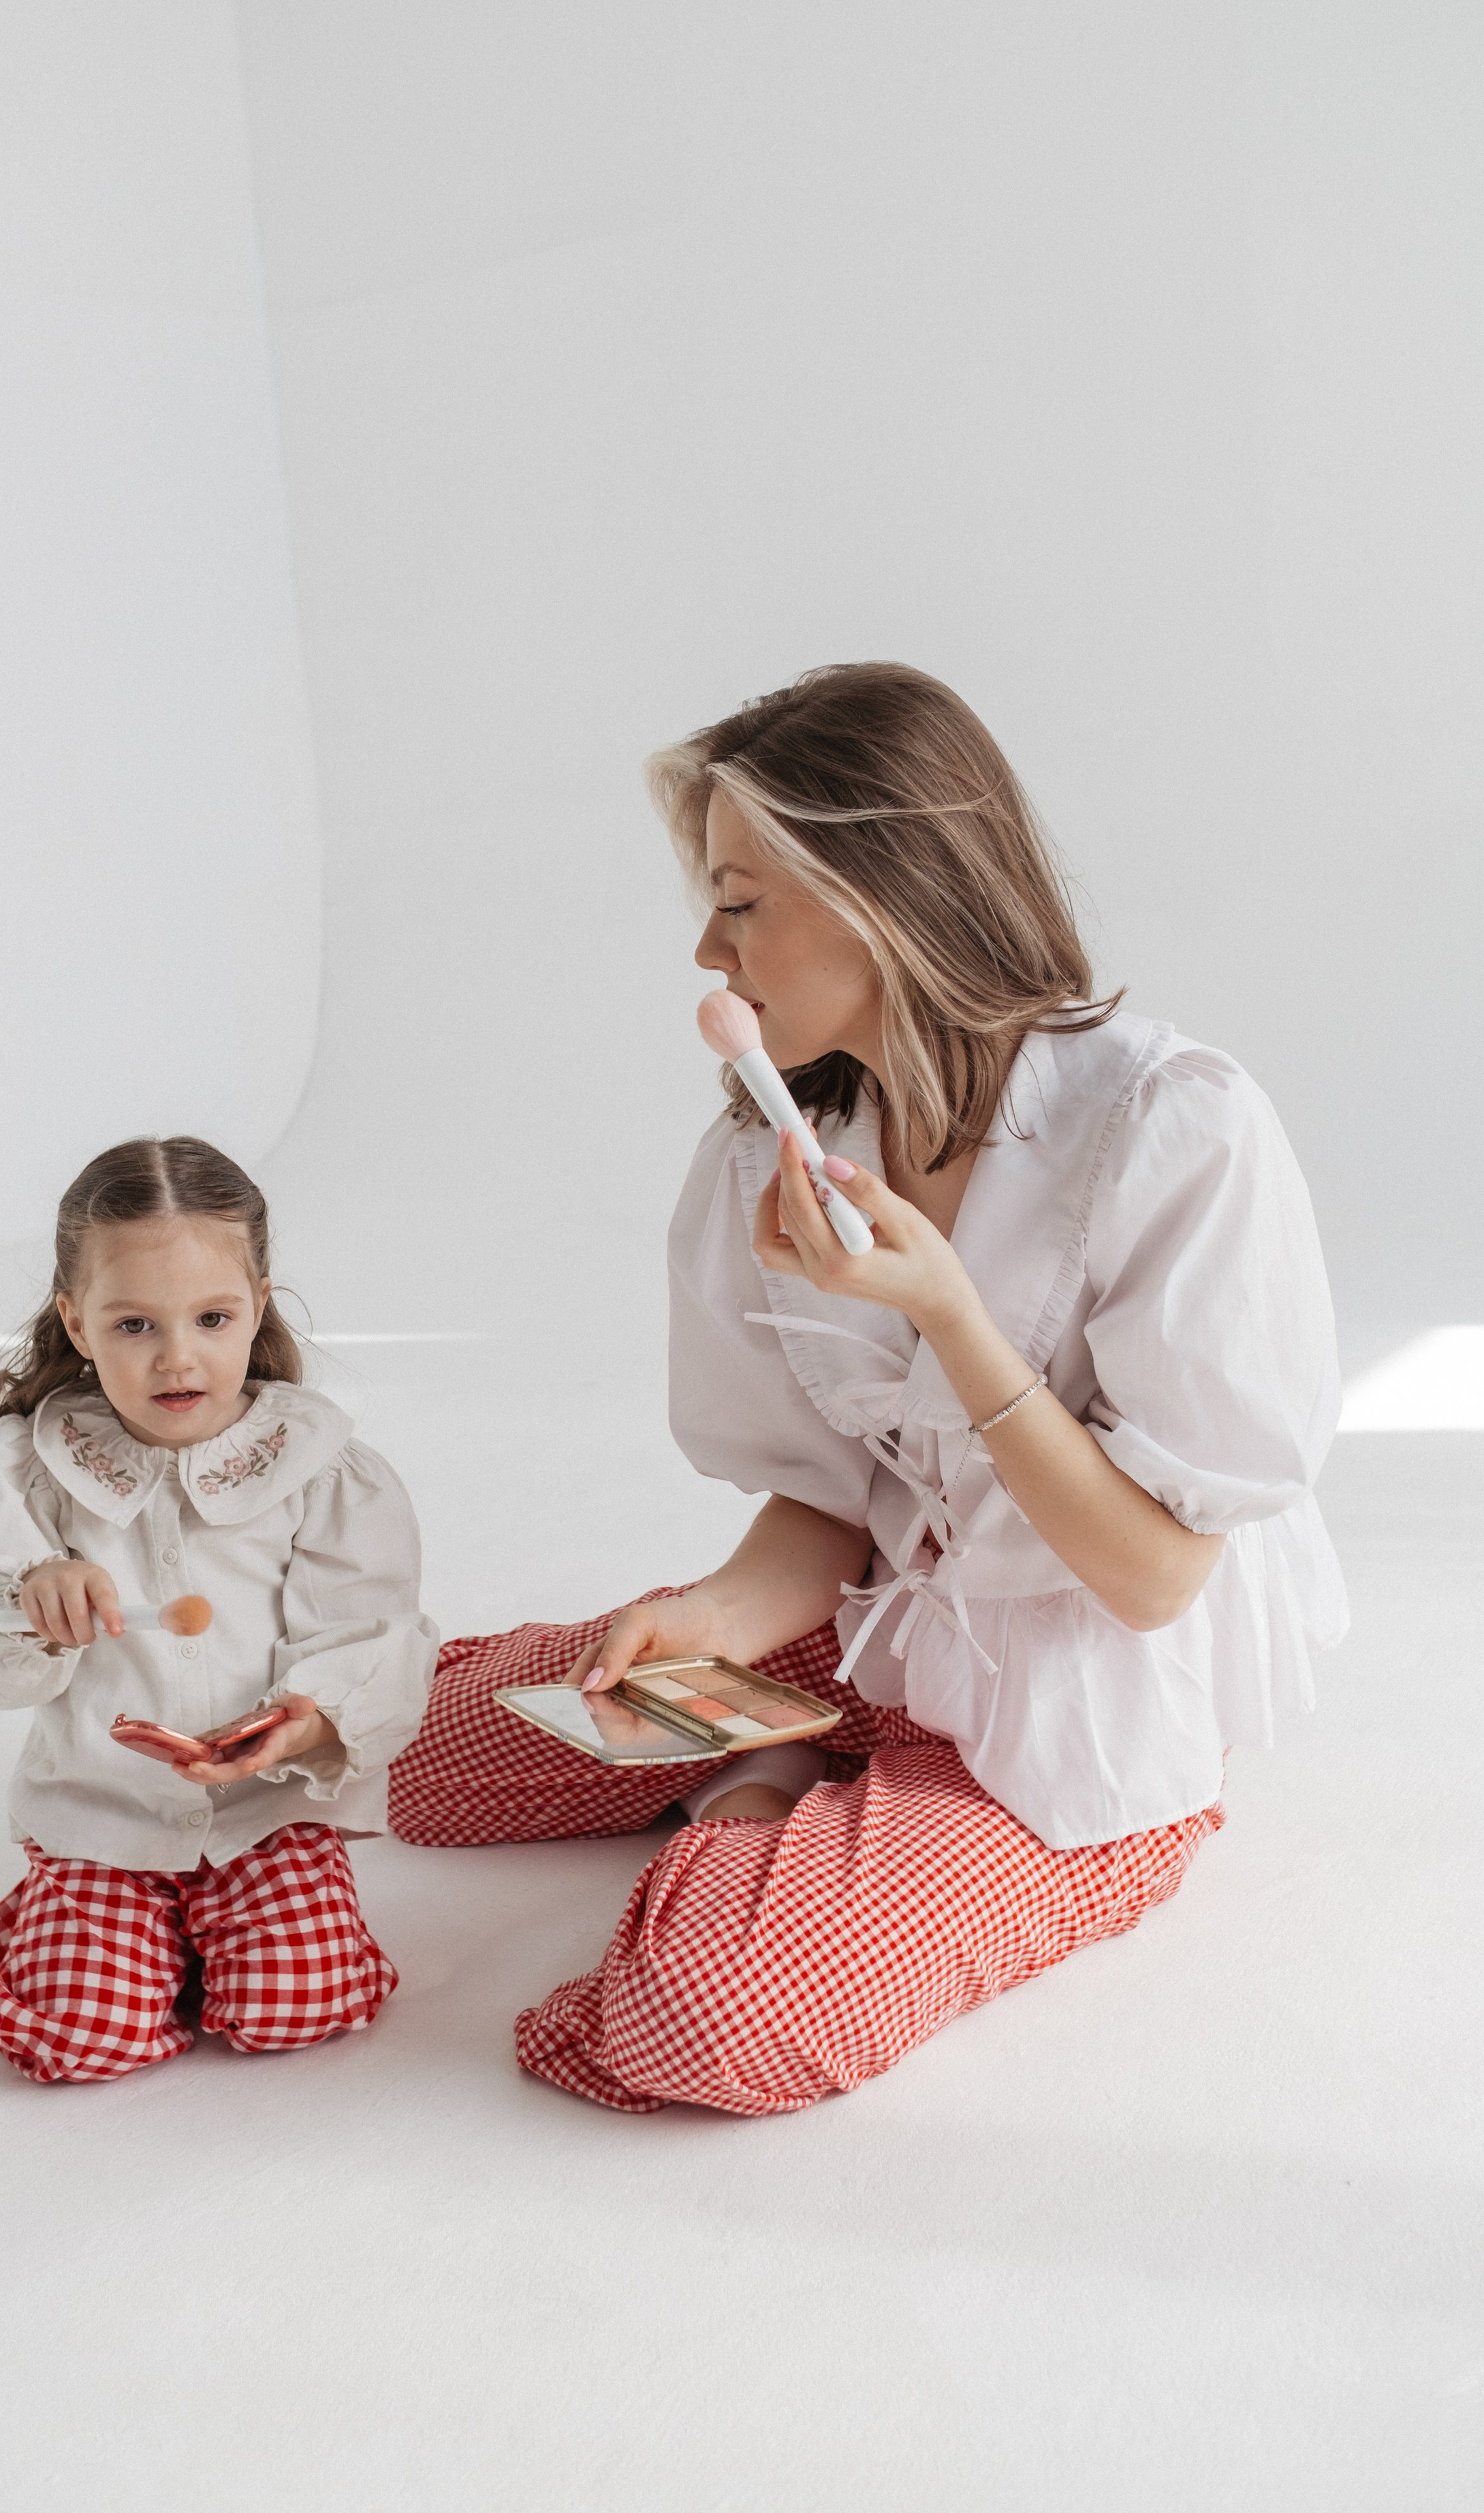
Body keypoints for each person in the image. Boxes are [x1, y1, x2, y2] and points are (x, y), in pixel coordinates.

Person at [389, 662, 1348, 2117]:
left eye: (739, 899)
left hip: (1069, 1708)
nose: (710, 951)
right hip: (873, 1630)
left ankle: (763, 1813)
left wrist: (949, 1318)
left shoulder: (1173, 1131)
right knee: (410, 1771)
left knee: (707, 2016)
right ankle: (773, 1782)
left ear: (880, 890)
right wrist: (711, 1619)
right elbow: (827, 1506)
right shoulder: (781, 1146)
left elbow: (1151, 1579)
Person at [0, 1137, 439, 2084]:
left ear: (259, 1306)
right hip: (105, 1813)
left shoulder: (321, 1467)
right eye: (133, 1326)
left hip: (261, 1813)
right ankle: (73, 1925)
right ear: (77, 1323)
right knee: (78, 2040)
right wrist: (32, 1600)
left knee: (299, 2007)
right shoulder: (41, 1470)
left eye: (211, 1317)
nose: (176, 1357)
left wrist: (302, 1723)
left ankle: (207, 1940)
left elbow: (370, 1630)